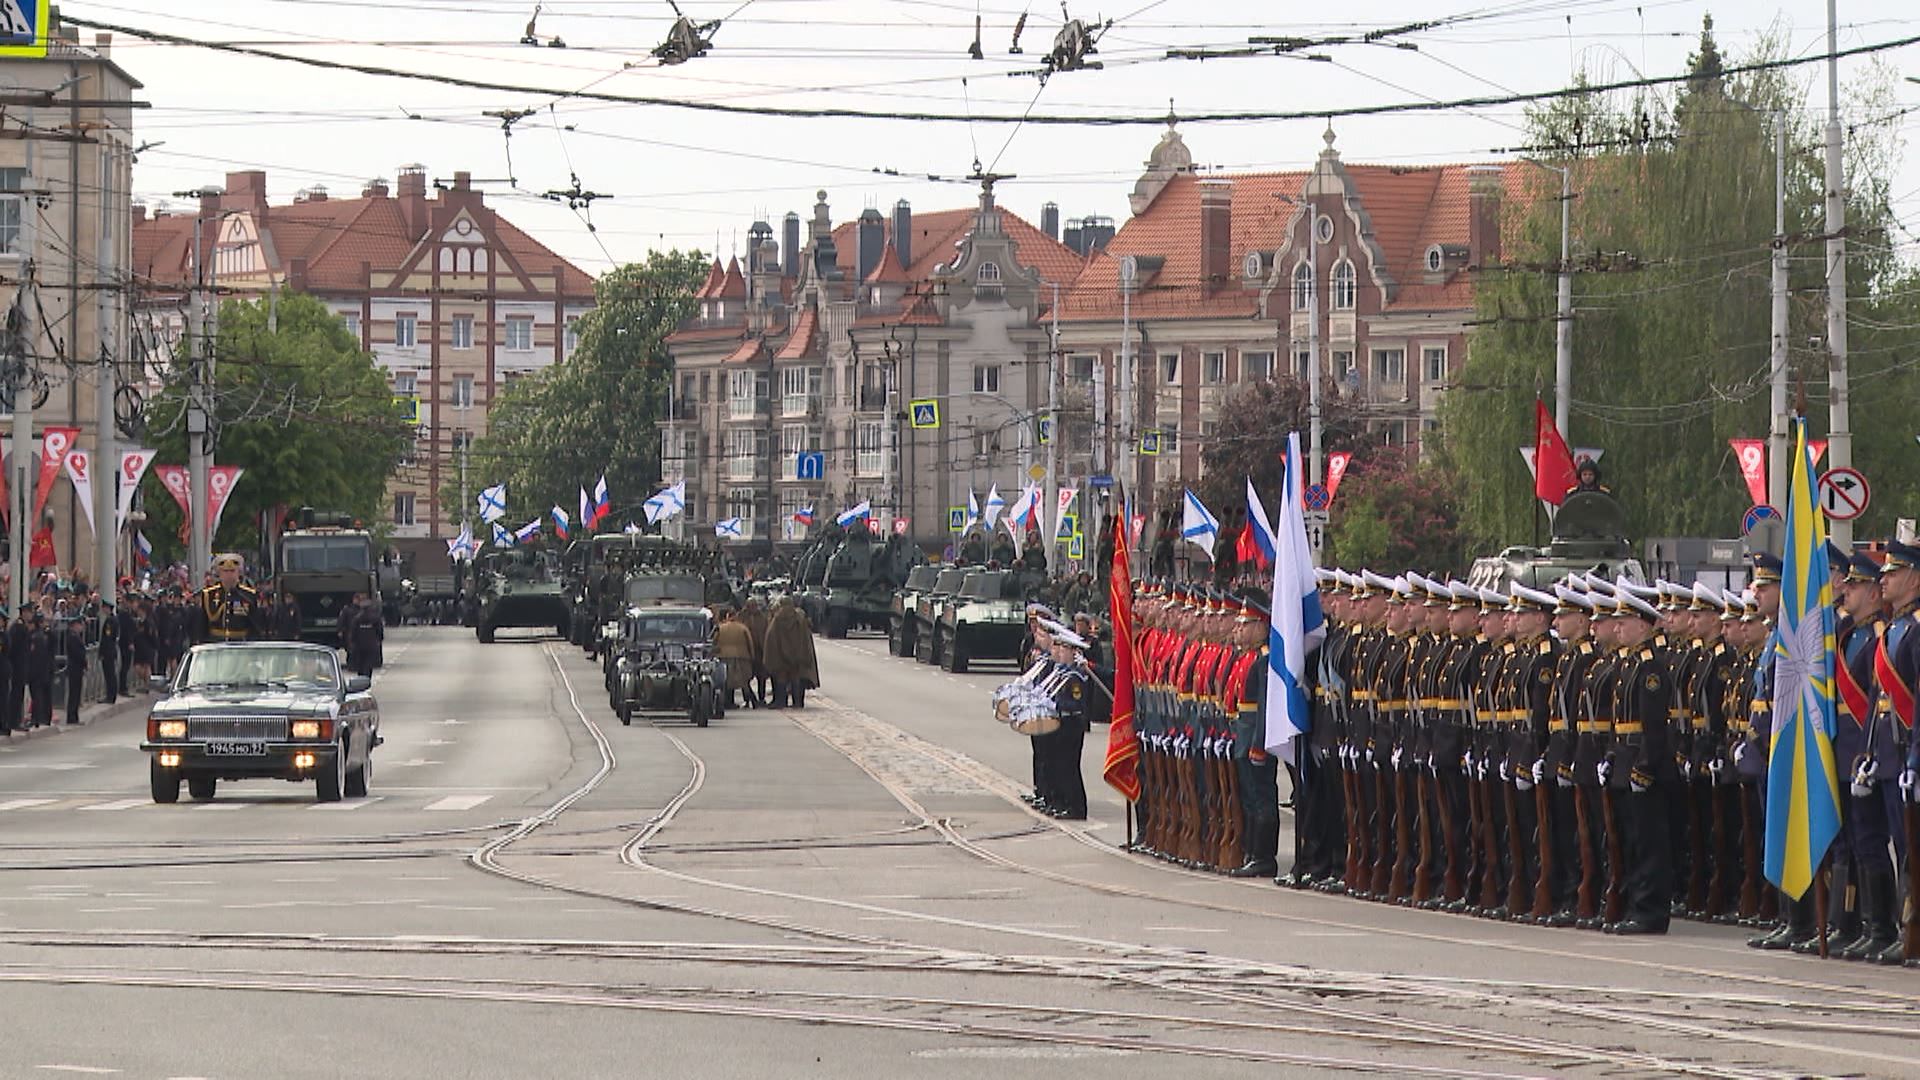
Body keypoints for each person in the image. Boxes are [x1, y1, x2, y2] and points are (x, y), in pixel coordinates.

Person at [191, 554, 265, 644]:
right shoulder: (209, 594)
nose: (229, 575)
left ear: (239, 573)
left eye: (232, 571)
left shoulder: (248, 595)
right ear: (219, 573)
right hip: (215, 645)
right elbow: (202, 625)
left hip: (240, 645)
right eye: (225, 571)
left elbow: (255, 628)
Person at [762, 597, 819, 709]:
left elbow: (771, 637)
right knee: (796, 678)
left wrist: (773, 655)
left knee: (781, 678)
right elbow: (806, 638)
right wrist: (804, 653)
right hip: (798, 655)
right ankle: (797, 702)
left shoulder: (777, 619)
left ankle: (781, 702)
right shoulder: (800, 619)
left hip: (780, 656)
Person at [713, 607, 760, 709]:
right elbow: (750, 643)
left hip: (724, 656)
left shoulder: (721, 628)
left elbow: (714, 642)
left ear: (727, 616)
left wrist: (714, 654)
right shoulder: (743, 628)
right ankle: (752, 700)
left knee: (727, 680)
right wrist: (752, 656)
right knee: (744, 681)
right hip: (742, 656)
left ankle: (728, 702)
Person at [62, 617, 88, 725]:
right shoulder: (72, 637)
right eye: (80, 625)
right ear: (74, 625)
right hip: (74, 668)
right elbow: (78, 653)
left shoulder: (76, 637)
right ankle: (71, 717)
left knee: (77, 693)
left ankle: (75, 716)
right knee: (74, 694)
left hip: (77, 668)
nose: (81, 627)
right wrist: (84, 663)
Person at [97, 602, 118, 705]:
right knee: (110, 674)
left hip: (108, 651)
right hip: (111, 650)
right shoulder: (114, 619)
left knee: (109, 674)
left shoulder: (110, 621)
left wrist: (102, 652)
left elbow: (107, 638)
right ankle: (111, 695)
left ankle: (110, 696)